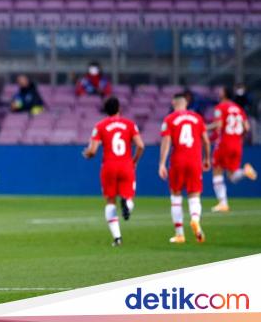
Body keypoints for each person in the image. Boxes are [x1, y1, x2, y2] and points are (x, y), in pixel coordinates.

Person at [82, 97, 145, 247]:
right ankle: (126, 205)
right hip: (126, 165)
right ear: (119, 108)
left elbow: (93, 150)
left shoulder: (100, 126)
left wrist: (87, 154)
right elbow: (141, 145)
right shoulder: (129, 124)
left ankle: (117, 238)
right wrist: (134, 161)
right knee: (128, 197)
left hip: (109, 167)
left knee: (110, 201)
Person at [159, 93, 211, 244]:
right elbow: (206, 141)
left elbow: (166, 143)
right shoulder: (197, 118)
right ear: (186, 103)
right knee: (194, 196)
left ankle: (180, 234)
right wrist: (207, 158)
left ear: (174, 103)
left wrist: (162, 163)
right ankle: (195, 220)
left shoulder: (170, 119)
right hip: (195, 161)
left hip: (178, 161)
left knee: (176, 197)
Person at [208, 86, 257, 213]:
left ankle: (223, 203)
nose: (218, 92)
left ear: (224, 94)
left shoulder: (220, 107)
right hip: (237, 144)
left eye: (220, 91)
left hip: (225, 143)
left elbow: (218, 125)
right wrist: (238, 137)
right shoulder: (239, 109)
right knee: (231, 175)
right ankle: (245, 172)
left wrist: (204, 127)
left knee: (217, 171)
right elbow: (247, 127)